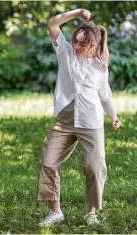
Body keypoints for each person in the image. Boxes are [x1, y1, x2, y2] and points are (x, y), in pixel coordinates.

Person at [36, 9, 121, 227]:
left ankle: (90, 212)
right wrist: (77, 13)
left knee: (94, 166)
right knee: (47, 162)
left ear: (94, 45)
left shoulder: (100, 67)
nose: (77, 46)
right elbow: (53, 24)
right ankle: (55, 212)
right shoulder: (65, 53)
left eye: (83, 43)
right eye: (76, 41)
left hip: (90, 121)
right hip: (64, 120)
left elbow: (105, 95)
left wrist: (113, 116)